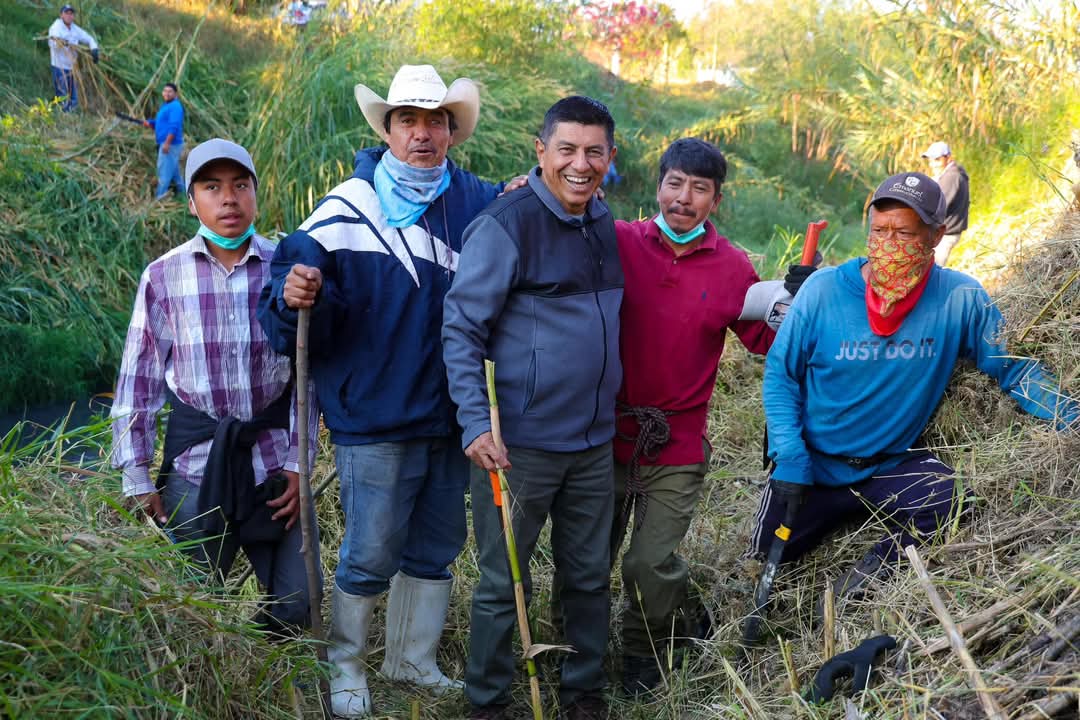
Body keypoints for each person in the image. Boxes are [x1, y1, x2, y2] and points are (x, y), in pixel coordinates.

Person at [257, 64, 507, 717]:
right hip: (373, 411)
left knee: (436, 544)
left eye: (434, 122)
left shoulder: (474, 204)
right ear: (388, 130)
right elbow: (290, 311)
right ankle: (346, 665)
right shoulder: (345, 208)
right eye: (408, 121)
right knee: (369, 548)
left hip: (452, 413)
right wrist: (294, 298)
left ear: (452, 132)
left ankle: (411, 660)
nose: (422, 134)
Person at [754, 171, 1077, 610]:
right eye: (879, 231)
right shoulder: (824, 291)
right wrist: (790, 457)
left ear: (935, 235)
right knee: (768, 550)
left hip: (888, 463)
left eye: (903, 232)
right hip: (814, 462)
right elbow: (780, 374)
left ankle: (871, 571)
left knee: (954, 503)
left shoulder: (959, 298)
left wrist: (1070, 414)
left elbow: (1012, 369)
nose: (888, 243)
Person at [610, 137, 823, 695]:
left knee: (648, 564)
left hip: (676, 444)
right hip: (603, 437)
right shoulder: (618, 243)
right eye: (675, 183)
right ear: (658, 187)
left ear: (716, 200)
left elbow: (764, 340)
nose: (684, 198)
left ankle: (642, 652)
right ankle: (582, 649)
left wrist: (796, 303)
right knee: (584, 562)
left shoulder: (732, 267)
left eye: (699, 189)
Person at [443, 96, 622, 720]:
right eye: (566, 149)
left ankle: (582, 692)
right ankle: (487, 702)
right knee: (501, 583)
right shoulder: (506, 222)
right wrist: (473, 421)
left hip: (594, 443)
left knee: (588, 576)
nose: (580, 163)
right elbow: (462, 327)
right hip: (517, 445)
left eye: (593, 151)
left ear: (610, 158)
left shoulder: (603, 222)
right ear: (539, 151)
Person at [110, 138, 318, 634]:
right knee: (194, 612)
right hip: (195, 467)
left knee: (295, 602)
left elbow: (308, 378)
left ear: (255, 195)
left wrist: (298, 465)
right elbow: (136, 384)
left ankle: (273, 688)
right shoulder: (163, 275)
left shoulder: (285, 269)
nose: (228, 199)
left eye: (239, 185)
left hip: (273, 468)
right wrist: (136, 478)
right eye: (212, 187)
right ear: (192, 201)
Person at [921, 141, 969, 266]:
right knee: (930, 267)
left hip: (946, 234)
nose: (933, 164)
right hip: (944, 232)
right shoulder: (946, 174)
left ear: (948, 158)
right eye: (930, 160)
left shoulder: (951, 176)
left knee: (933, 269)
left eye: (937, 160)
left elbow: (938, 206)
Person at [47, 4, 99, 112]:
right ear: (61, 15)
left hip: (72, 67)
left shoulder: (75, 29)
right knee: (62, 95)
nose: (69, 16)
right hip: (59, 67)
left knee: (73, 96)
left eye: (71, 14)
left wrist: (94, 49)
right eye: (67, 13)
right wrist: (62, 43)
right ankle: (63, 117)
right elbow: (53, 44)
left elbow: (89, 38)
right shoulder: (55, 28)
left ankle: (72, 115)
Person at [143, 83, 186, 200]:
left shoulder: (175, 107)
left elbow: (174, 126)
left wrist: (167, 143)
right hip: (169, 143)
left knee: (164, 172)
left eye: (170, 91)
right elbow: (162, 123)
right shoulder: (166, 106)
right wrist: (151, 123)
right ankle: (183, 194)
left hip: (170, 144)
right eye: (165, 91)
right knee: (175, 171)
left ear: (176, 94)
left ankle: (159, 198)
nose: (166, 93)